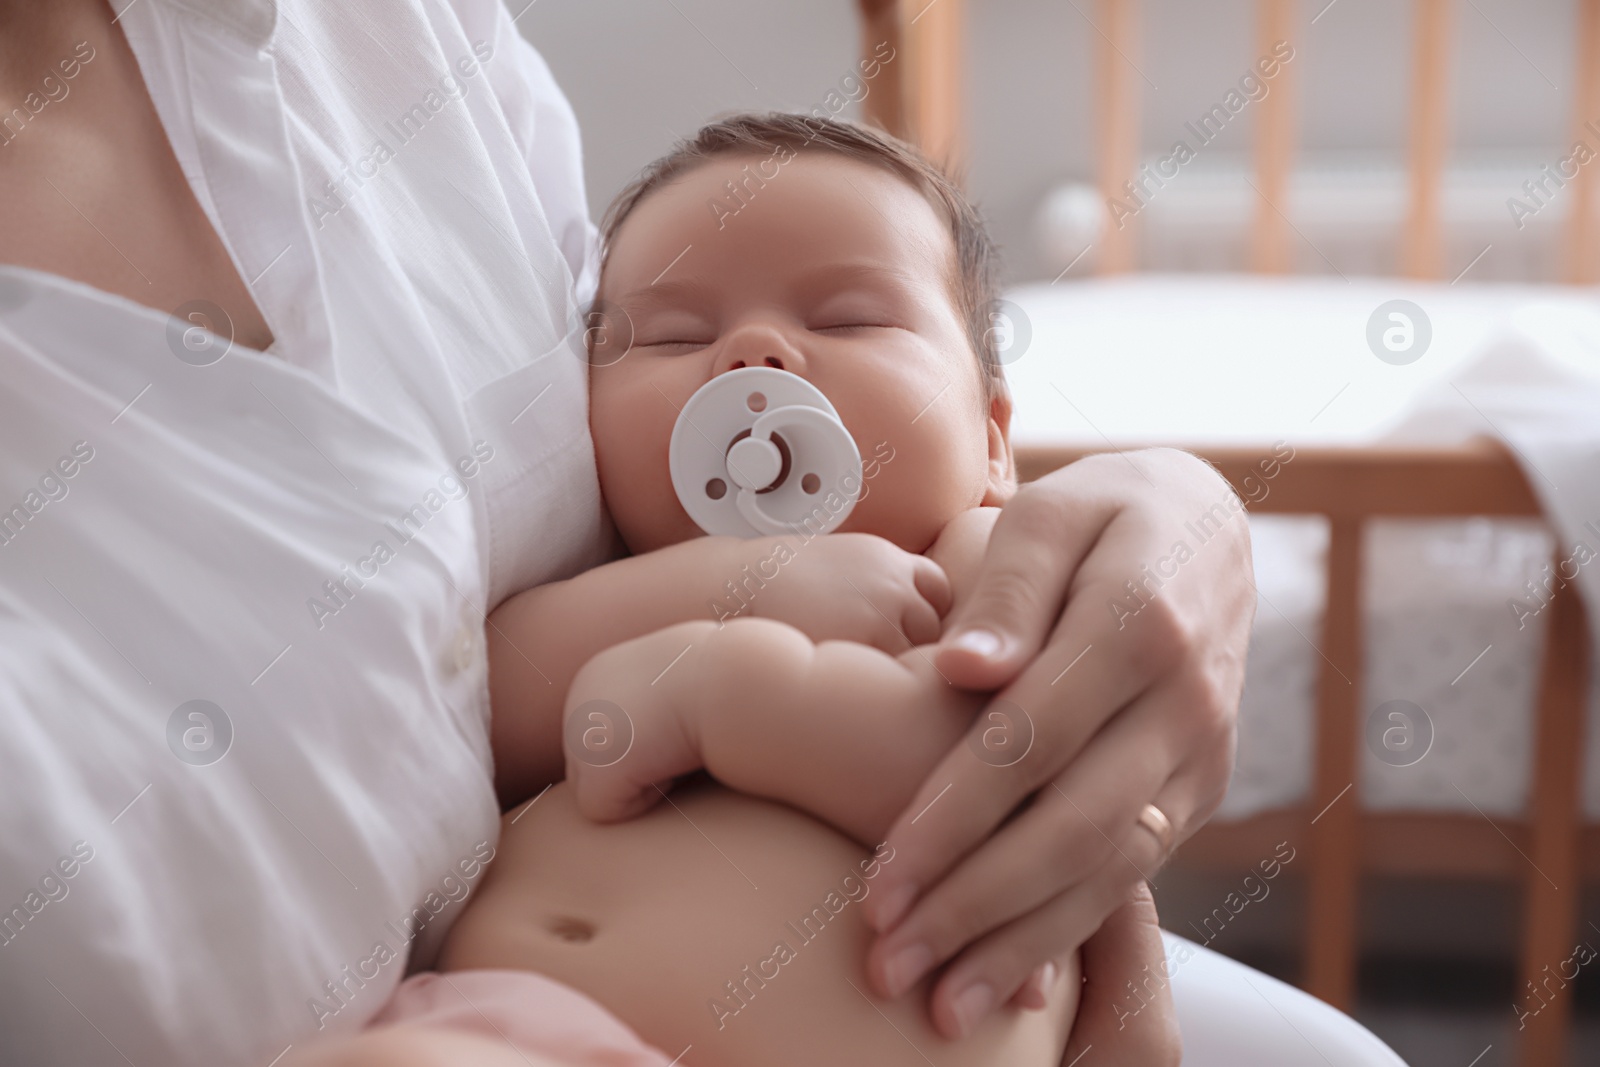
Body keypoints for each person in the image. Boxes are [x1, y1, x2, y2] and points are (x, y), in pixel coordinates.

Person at [0, 2, 1393, 1066]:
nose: (757, 355)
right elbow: (489, 694)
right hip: (514, 1023)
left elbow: (971, 789)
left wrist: (742, 692)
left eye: (846, 320)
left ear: (991, 433)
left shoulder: (976, 570)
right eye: (668, 335)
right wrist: (724, 616)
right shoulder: (609, 596)